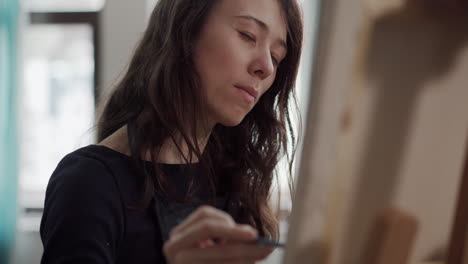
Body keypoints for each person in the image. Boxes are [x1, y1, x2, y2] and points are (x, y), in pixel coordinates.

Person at [39, 0, 303, 263]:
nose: (266, 67)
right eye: (248, 35)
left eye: (276, 57)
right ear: (185, 29)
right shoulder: (88, 182)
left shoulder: (234, 186)